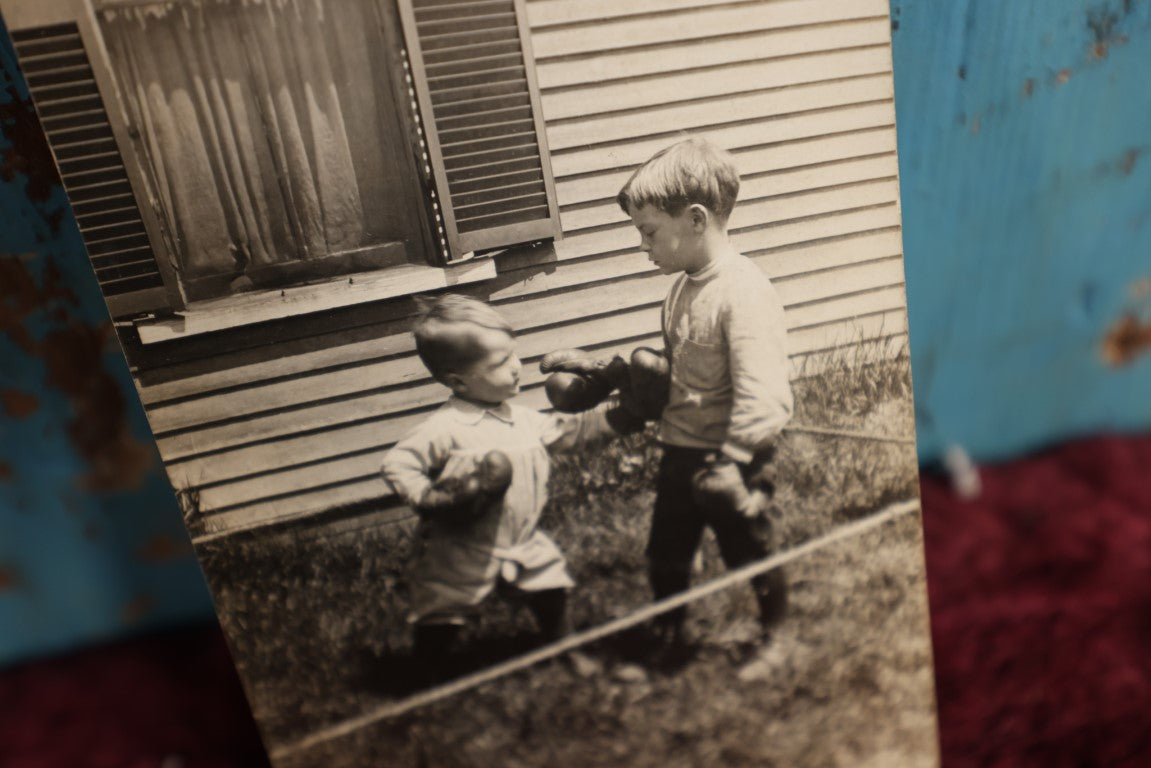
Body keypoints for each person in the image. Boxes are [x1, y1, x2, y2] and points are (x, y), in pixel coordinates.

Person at [380, 294, 639, 680]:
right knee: (444, 609)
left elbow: (568, 434)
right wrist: (428, 497)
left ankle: (564, 650)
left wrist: (624, 417)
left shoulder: (521, 419)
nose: (517, 368)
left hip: (520, 536)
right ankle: (426, 668)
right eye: (501, 363)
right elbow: (398, 464)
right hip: (462, 541)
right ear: (457, 381)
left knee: (550, 587)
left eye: (513, 355)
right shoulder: (446, 427)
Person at [618, 136, 794, 658]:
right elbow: (680, 367)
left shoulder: (743, 293)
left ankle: (774, 637)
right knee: (667, 550)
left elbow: (764, 391)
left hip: (733, 456)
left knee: (749, 548)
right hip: (683, 447)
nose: (642, 245)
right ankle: (668, 635)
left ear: (695, 220)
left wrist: (735, 460)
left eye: (649, 232)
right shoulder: (681, 287)